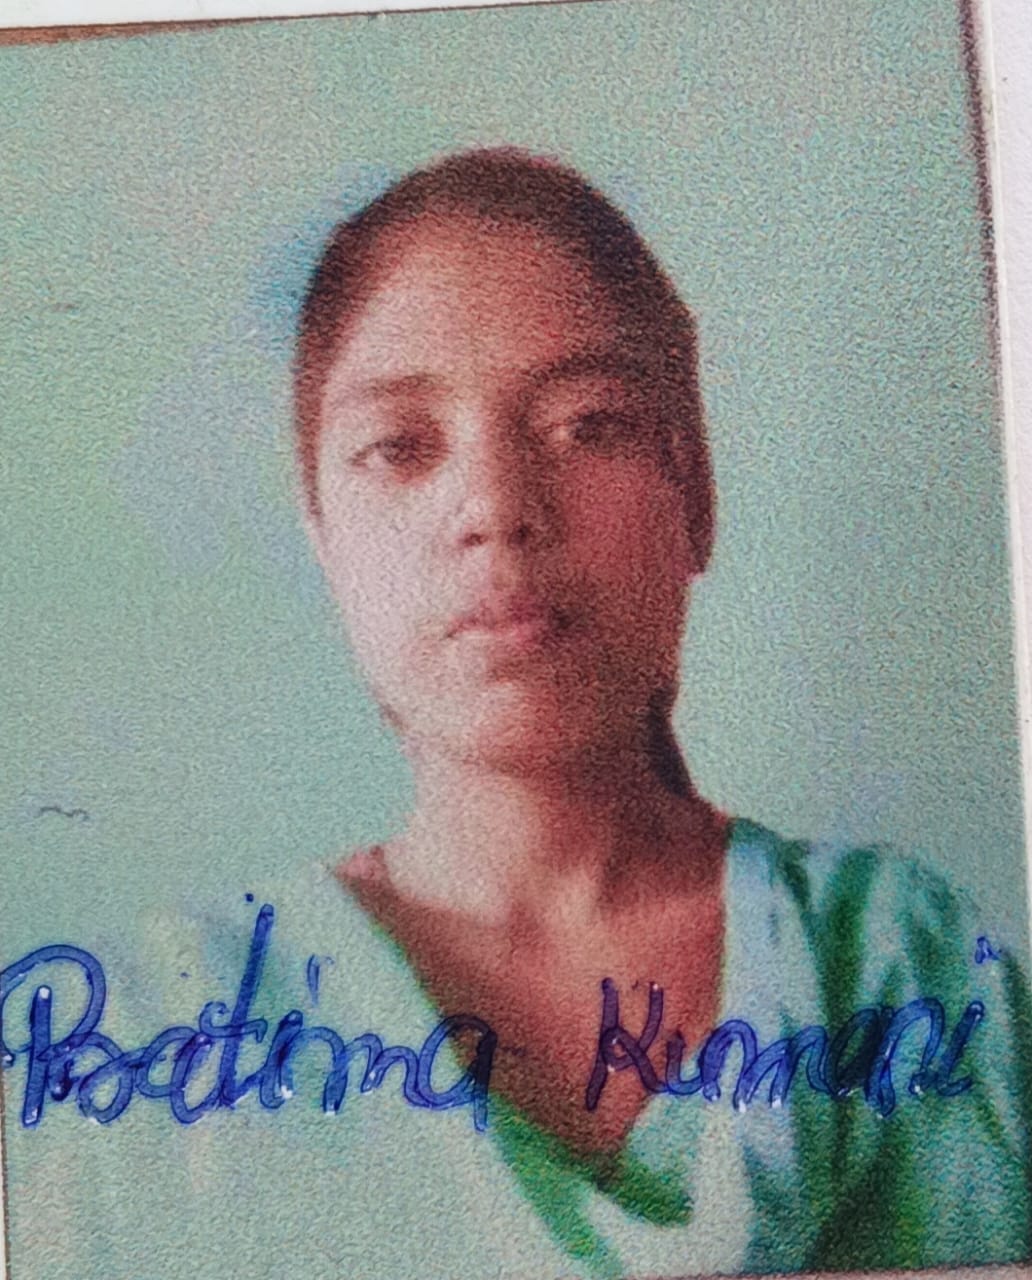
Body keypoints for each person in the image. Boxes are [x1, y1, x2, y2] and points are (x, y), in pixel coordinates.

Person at [5, 147, 1030, 1280]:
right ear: (323, 538)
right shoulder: (129, 1045)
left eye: (588, 423)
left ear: (694, 491)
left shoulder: (909, 964)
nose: (495, 507)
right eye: (401, 447)